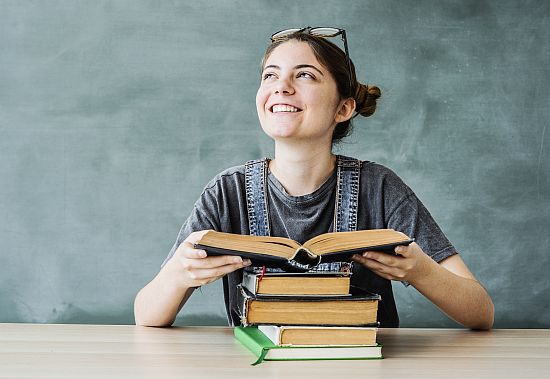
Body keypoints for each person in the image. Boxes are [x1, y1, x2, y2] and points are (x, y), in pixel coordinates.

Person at [134, 27, 494, 330]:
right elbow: (146, 315)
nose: (282, 86)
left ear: (344, 108)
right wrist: (177, 275)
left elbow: (481, 313)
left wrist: (422, 272)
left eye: (304, 75)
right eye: (270, 75)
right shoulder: (228, 192)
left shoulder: (380, 188)